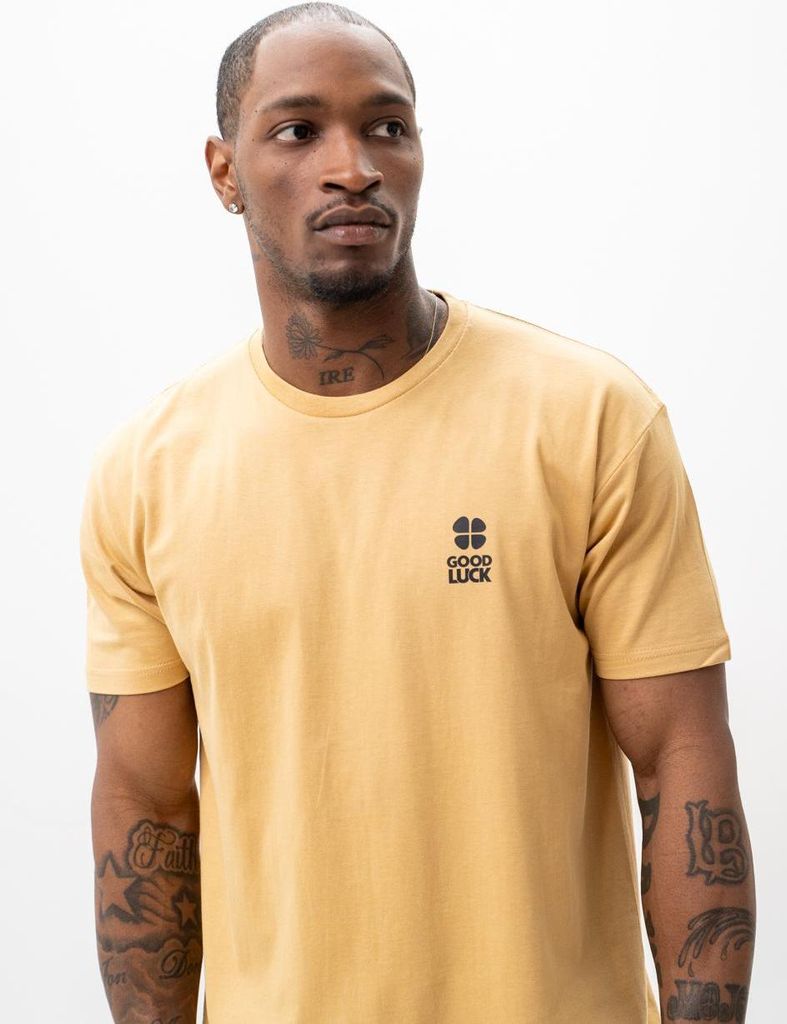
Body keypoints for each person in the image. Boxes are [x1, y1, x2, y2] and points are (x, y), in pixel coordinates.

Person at [80, 5, 756, 1023]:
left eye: (386, 127)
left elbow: (681, 762)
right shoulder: (146, 473)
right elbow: (146, 810)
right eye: (298, 130)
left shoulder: (589, 421)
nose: (352, 167)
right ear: (225, 172)